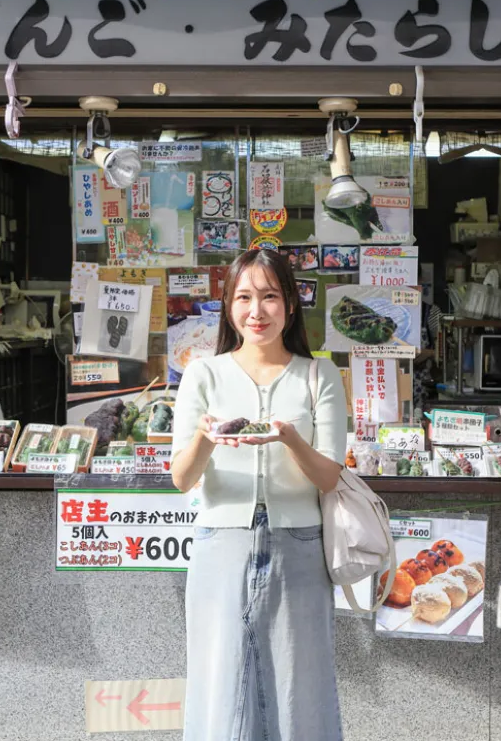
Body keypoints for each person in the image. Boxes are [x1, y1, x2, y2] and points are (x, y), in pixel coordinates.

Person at [171, 248, 347, 741]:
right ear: (228, 306)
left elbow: (329, 477)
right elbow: (181, 479)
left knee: (302, 688)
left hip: (300, 545)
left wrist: (291, 438)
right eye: (244, 297)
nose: (257, 311)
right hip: (220, 543)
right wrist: (206, 438)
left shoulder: (320, 376)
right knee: (219, 683)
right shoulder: (204, 374)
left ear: (291, 304)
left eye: (270, 296)